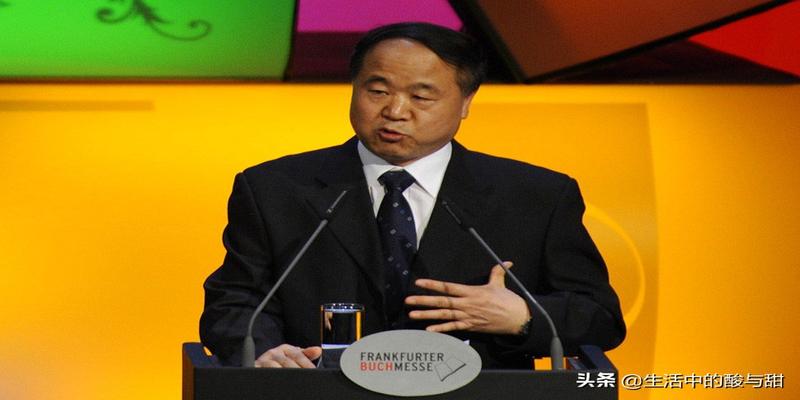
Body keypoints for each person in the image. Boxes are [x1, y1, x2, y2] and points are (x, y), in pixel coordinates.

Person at [200, 22, 625, 369]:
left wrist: (523, 317)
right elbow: (233, 303)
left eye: (421, 96)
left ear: (466, 102)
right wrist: (264, 351)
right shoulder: (275, 187)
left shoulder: (536, 196)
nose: (396, 111)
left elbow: (600, 317)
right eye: (377, 91)